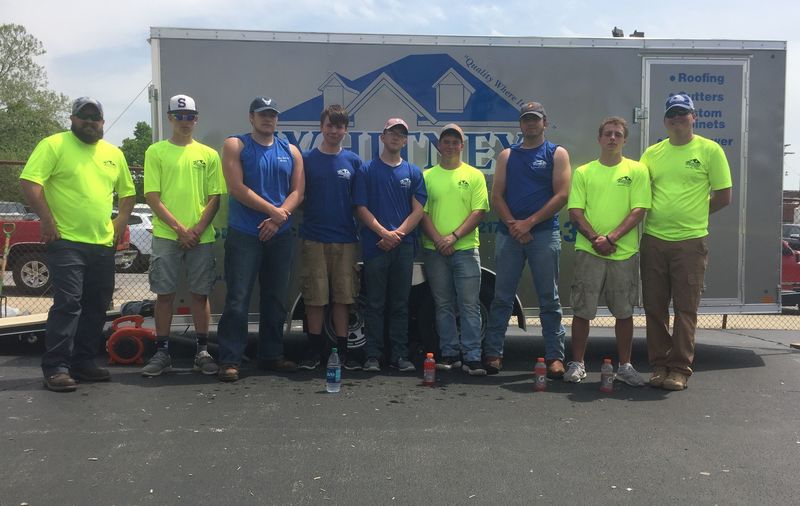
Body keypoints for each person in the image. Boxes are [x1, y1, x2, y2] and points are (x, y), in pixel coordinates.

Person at [20, 97, 136, 392]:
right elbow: (30, 183)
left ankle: (83, 362)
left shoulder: (113, 153)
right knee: (69, 303)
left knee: (96, 305)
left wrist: (121, 221)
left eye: (95, 117)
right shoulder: (53, 145)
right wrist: (47, 220)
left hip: (102, 243)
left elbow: (128, 193)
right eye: (84, 116)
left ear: (102, 122)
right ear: (72, 118)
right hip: (66, 240)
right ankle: (56, 367)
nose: (90, 122)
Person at [640, 93, 732, 391]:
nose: (677, 118)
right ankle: (659, 365)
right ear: (665, 121)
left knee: (685, 308)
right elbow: (640, 194)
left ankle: (679, 368)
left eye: (683, 113)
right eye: (672, 114)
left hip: (691, 242)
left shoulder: (710, 150)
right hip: (653, 239)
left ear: (694, 117)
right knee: (654, 307)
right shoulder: (652, 154)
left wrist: (693, 215)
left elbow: (724, 196)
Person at [216, 96, 305, 382]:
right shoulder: (236, 145)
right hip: (245, 233)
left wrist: (279, 217)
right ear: (251, 117)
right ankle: (230, 360)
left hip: (280, 234)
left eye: (272, 114)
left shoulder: (291, 150)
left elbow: (297, 192)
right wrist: (273, 212)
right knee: (238, 298)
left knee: (276, 298)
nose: (268, 119)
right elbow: (236, 187)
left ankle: (271, 355)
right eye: (262, 114)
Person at [483, 101, 571, 376]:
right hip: (510, 235)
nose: (531, 123)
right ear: (520, 124)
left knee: (549, 298)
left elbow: (562, 195)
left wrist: (529, 223)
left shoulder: (557, 153)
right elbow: (497, 196)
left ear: (545, 122)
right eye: (526, 119)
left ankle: (555, 357)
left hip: (543, 234)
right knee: (502, 296)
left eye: (535, 119)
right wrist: (514, 225)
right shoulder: (507, 155)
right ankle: (493, 353)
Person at [140, 94, 223, 377]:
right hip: (167, 235)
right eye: (179, 116)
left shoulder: (209, 154)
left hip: (201, 237)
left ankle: (202, 351)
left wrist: (196, 230)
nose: (185, 121)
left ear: (196, 119)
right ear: (169, 118)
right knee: (165, 295)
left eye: (190, 116)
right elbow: (152, 196)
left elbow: (215, 197)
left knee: (200, 295)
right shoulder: (156, 152)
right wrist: (179, 229)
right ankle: (162, 352)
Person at [564, 117, 651, 386]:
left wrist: (611, 238)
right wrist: (596, 239)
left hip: (623, 253)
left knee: (624, 312)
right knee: (582, 310)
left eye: (618, 134)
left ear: (625, 140)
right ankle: (577, 364)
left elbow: (639, 209)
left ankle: (625, 366)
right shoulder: (584, 172)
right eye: (608, 134)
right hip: (589, 252)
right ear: (599, 138)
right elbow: (575, 211)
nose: (613, 138)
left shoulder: (637, 170)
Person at [354, 118, 426, 372]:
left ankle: (399, 355)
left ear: (405, 141)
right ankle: (373, 355)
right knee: (374, 303)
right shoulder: (366, 170)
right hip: (375, 246)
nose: (396, 137)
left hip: (403, 247)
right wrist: (384, 233)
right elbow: (360, 207)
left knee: (400, 304)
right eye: (391, 133)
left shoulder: (413, 172)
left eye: (401, 134)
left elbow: (418, 210)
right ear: (382, 137)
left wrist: (398, 234)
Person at [420, 124, 489, 375]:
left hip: (466, 249)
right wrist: (439, 240)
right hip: (434, 250)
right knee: (443, 304)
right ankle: (449, 354)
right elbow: (422, 213)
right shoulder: (427, 176)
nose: (450, 146)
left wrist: (453, 237)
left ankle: (472, 357)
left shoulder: (474, 175)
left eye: (455, 142)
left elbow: (479, 211)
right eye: (446, 141)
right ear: (439, 146)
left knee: (469, 305)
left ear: (462, 146)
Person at [298, 105, 363, 371]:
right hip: (314, 238)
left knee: (343, 298)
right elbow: (299, 197)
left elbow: (359, 204)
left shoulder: (354, 162)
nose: (334, 131)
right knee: (315, 298)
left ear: (345, 130)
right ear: (321, 127)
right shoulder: (306, 160)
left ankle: (342, 352)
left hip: (345, 239)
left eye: (339, 126)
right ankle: (314, 352)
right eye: (329, 125)